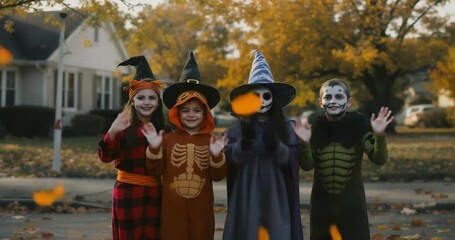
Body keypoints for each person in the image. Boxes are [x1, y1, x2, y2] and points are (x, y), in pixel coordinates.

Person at [293, 78, 393, 239]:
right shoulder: (315, 127)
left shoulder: (359, 125)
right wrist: (304, 143)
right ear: (320, 102)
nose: (333, 101)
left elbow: (379, 159)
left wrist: (379, 135)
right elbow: (307, 165)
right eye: (328, 97)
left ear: (349, 102)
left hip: (352, 204)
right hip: (321, 205)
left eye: (339, 97)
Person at [143, 51, 227, 240]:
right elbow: (154, 171)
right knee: (173, 233)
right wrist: (155, 148)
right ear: (177, 113)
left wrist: (216, 155)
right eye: (186, 110)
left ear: (205, 114)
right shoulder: (167, 139)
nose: (191, 115)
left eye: (197, 110)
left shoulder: (211, 141)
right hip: (172, 204)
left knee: (202, 232)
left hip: (203, 204)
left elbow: (219, 176)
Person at [223, 49, 303, 240]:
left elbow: (291, 159)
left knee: (276, 230)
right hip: (247, 190)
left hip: (275, 191)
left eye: (266, 96)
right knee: (248, 229)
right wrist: (243, 146)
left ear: (273, 99)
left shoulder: (286, 127)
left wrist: (277, 146)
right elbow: (232, 157)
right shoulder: (238, 128)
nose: (261, 101)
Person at [98, 56, 165, 240]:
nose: (146, 102)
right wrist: (112, 132)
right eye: (141, 98)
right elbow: (105, 157)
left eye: (152, 98)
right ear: (133, 101)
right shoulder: (123, 127)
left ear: (158, 102)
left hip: (155, 193)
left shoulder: (164, 130)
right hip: (127, 192)